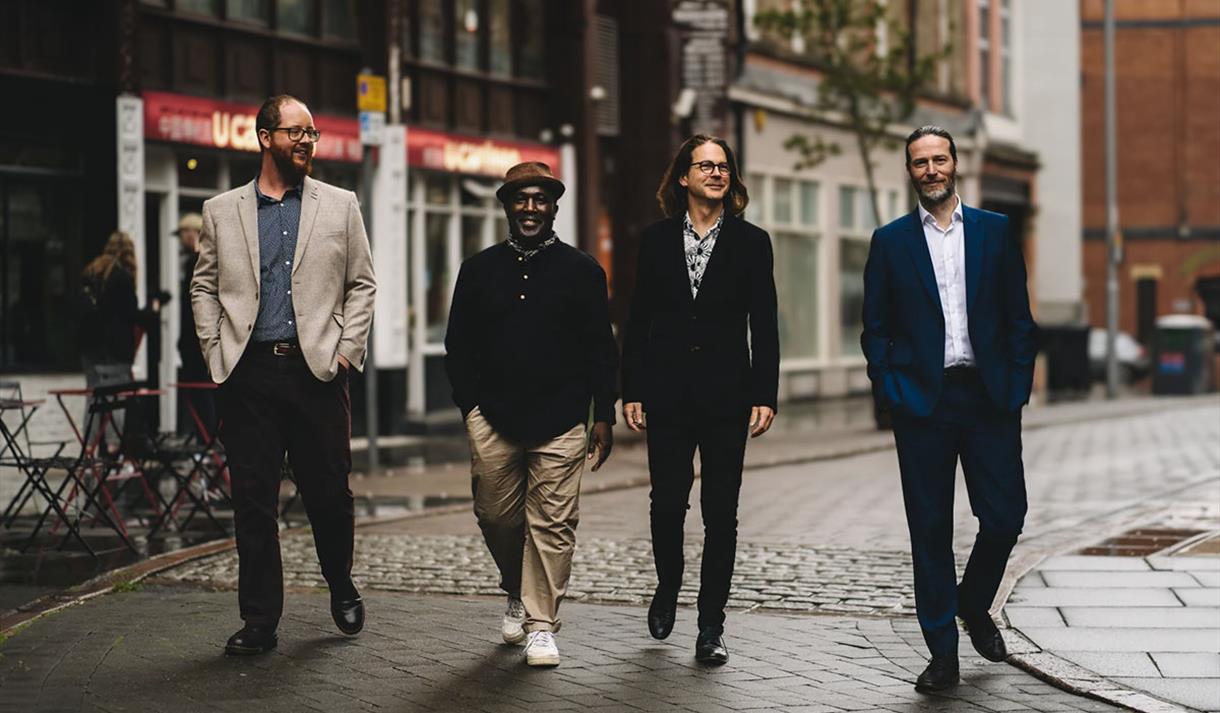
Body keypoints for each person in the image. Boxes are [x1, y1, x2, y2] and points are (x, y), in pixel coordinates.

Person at [190, 94, 376, 656]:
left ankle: (338, 580)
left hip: (317, 373)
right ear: (266, 137)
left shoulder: (340, 205)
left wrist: (346, 351)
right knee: (252, 502)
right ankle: (260, 621)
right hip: (248, 377)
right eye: (297, 132)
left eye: (313, 133)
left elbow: (362, 284)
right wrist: (214, 347)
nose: (307, 141)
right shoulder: (221, 210)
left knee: (329, 494)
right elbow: (203, 285)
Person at [861, 126, 1038, 692]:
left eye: (939, 159)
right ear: (910, 172)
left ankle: (973, 601)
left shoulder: (995, 230)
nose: (931, 169)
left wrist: (1015, 383)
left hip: (988, 398)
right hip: (923, 404)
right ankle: (942, 654)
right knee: (930, 529)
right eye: (920, 162)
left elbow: (1018, 316)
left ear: (956, 164)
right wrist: (890, 388)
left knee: (1007, 515)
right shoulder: (889, 242)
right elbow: (875, 329)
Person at [444, 161, 617, 668]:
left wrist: (601, 413)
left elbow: (600, 350)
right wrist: (470, 405)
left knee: (553, 523)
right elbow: (458, 344)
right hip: (493, 415)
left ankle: (541, 624)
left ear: (554, 207)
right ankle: (516, 590)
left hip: (562, 419)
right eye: (521, 199)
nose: (531, 208)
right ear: (506, 205)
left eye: (540, 199)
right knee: (495, 515)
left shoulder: (583, 270)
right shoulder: (478, 270)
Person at [621, 135, 779, 665]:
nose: (715, 173)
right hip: (666, 393)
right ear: (683, 178)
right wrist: (633, 388)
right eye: (704, 165)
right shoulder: (656, 239)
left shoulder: (753, 242)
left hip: (727, 396)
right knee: (666, 504)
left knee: (721, 513)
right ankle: (668, 588)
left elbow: (766, 324)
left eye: (723, 166)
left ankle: (711, 625)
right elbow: (638, 319)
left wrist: (765, 392)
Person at [174, 213, 216, 438]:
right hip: (200, 337)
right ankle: (206, 440)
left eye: (183, 234)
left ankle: (206, 440)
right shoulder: (202, 260)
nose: (181, 239)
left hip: (196, 338)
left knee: (198, 391)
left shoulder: (196, 262)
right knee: (200, 391)